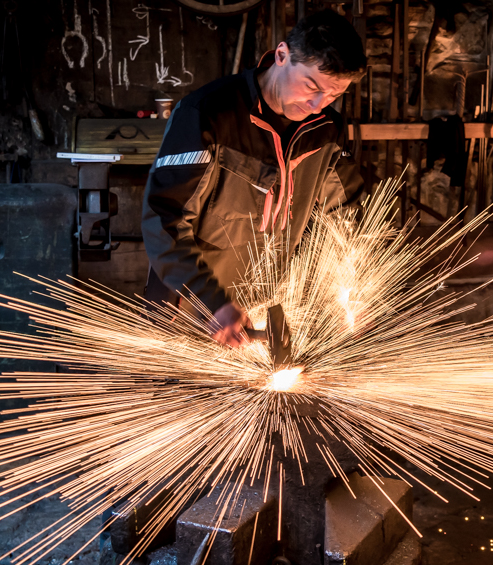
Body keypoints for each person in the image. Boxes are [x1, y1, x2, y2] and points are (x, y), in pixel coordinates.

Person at [141, 10, 365, 346]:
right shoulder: (207, 115)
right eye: (310, 86)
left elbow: (345, 215)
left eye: (333, 96)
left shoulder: (326, 130)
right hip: (190, 308)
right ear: (281, 55)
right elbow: (165, 220)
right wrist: (212, 301)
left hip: (264, 308)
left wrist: (353, 285)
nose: (318, 105)